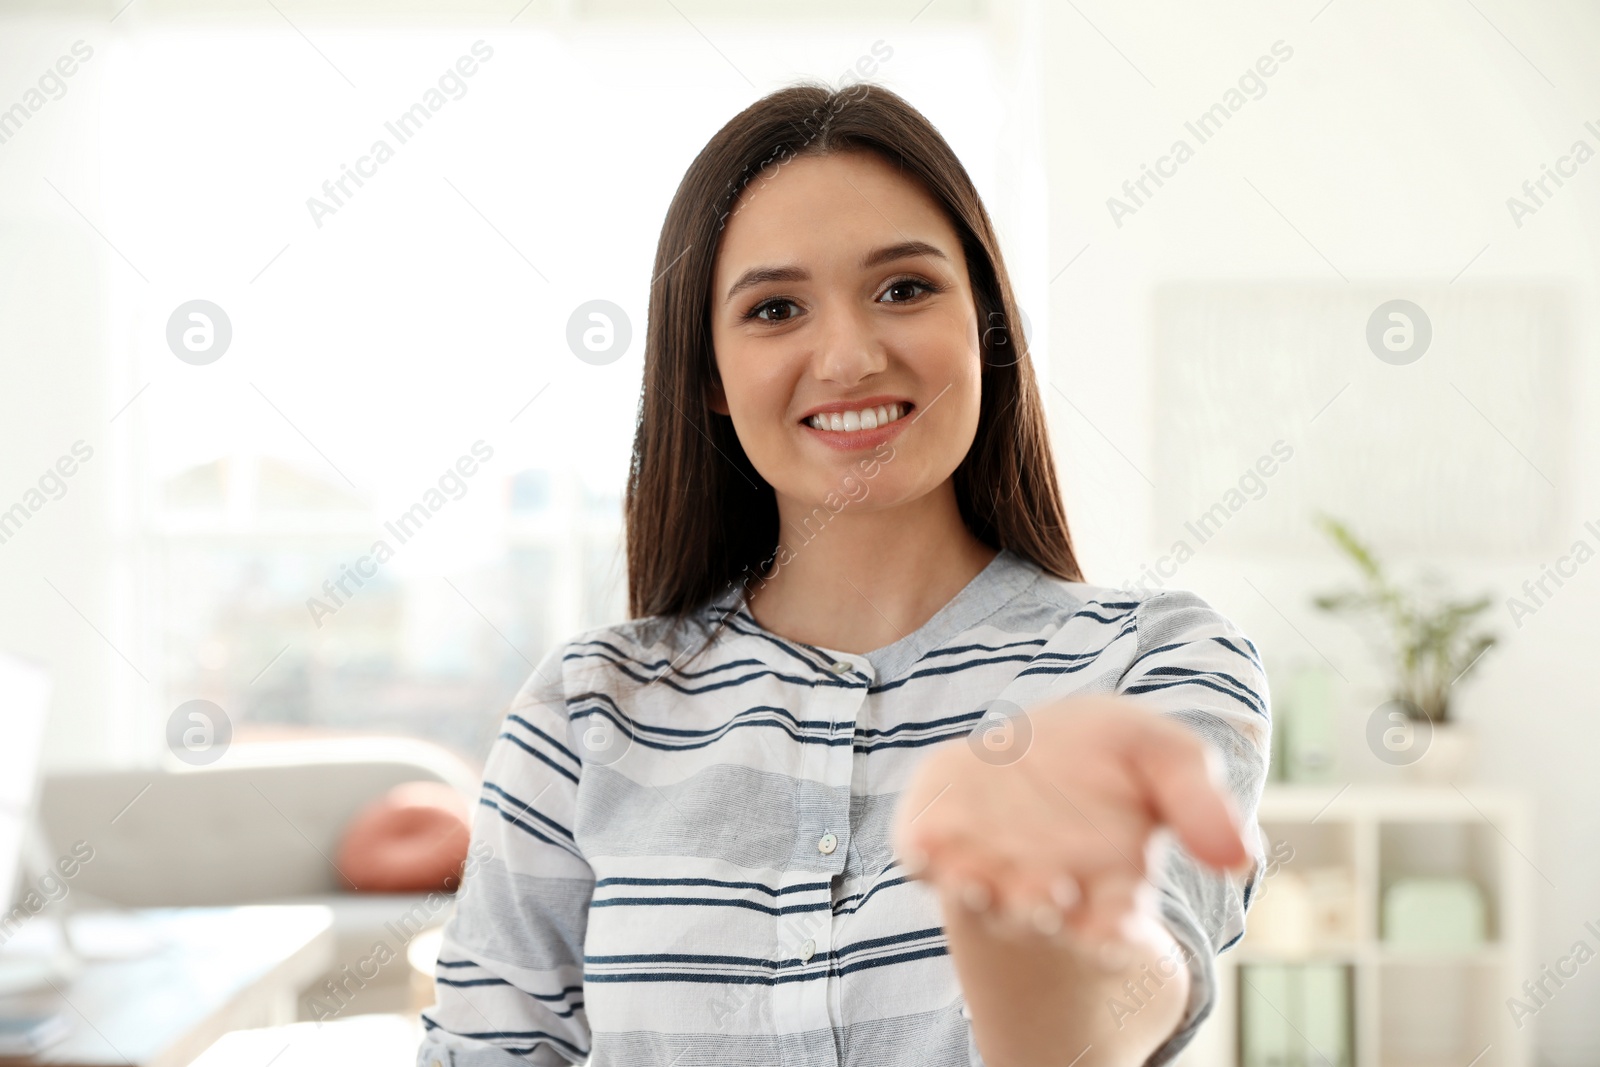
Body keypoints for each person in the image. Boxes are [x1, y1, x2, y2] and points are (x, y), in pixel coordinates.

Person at [417, 81, 1270, 1067]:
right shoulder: (586, 707)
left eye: (904, 288)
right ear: (706, 374)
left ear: (985, 324)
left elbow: (1144, 981)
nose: (851, 354)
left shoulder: (1150, 659)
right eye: (775, 308)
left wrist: (1056, 916)